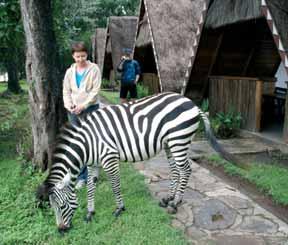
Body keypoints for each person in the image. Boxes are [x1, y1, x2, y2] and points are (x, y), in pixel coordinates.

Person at [63, 41, 101, 189]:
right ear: (73, 56)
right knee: (77, 142)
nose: (81, 59)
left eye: (83, 56)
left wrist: (83, 106)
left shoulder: (94, 69)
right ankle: (81, 176)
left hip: (90, 109)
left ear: (87, 55)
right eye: (78, 56)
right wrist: (70, 105)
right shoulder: (69, 72)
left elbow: (95, 91)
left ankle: (94, 170)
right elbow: (66, 91)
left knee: (91, 141)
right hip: (73, 111)